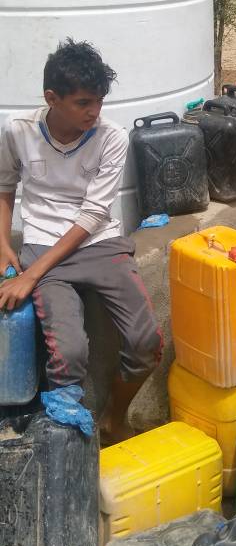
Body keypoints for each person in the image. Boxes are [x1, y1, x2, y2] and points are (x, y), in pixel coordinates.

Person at [0, 39, 163, 441]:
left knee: (146, 342)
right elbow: (4, 187)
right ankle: (65, 443)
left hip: (99, 242)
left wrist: (30, 275)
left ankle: (114, 414)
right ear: (51, 98)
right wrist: (4, 247)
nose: (95, 112)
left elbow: (92, 216)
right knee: (69, 354)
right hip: (41, 242)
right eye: (84, 103)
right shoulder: (17, 131)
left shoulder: (112, 137)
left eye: (100, 102)